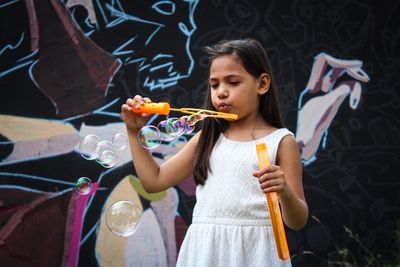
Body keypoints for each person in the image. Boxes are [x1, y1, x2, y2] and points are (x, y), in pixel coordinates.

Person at [121, 38, 308, 267]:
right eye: (214, 84)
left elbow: (297, 221)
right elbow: (153, 181)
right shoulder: (207, 139)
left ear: (262, 84)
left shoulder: (280, 142)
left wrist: (285, 192)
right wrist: (133, 131)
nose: (221, 92)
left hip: (257, 253)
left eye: (233, 82)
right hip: (205, 252)